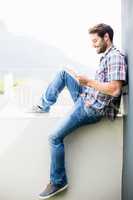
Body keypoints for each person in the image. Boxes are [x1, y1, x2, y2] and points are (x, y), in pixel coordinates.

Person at [33, 23, 127, 199]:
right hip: (87, 98)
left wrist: (88, 82)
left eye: (95, 41)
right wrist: (84, 82)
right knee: (64, 72)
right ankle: (42, 105)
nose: (93, 45)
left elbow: (115, 89)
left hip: (91, 109)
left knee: (54, 137)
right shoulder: (107, 56)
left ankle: (58, 181)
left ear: (106, 37)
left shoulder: (115, 57)